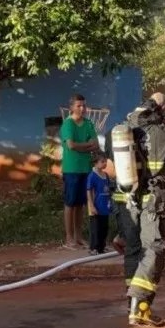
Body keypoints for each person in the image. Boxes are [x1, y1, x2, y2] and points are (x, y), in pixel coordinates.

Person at [117, 92, 165, 326]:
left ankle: (131, 303)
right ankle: (140, 307)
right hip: (155, 201)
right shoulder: (159, 130)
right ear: (160, 109)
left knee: (134, 251)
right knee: (154, 249)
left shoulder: (124, 129)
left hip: (128, 201)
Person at [61, 93, 99, 249]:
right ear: (71, 107)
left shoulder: (88, 123)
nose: (82, 108)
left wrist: (81, 146)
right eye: (79, 106)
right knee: (70, 203)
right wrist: (87, 145)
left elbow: (96, 144)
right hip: (71, 169)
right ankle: (69, 238)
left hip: (86, 168)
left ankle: (78, 236)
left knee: (81, 204)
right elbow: (71, 145)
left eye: (84, 105)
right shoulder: (68, 124)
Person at [86, 150, 112, 255]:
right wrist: (91, 206)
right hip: (96, 207)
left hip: (104, 207)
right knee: (95, 229)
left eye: (105, 161)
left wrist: (110, 202)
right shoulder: (92, 176)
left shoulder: (106, 175)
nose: (105, 163)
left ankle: (102, 247)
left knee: (104, 228)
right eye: (102, 161)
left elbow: (108, 190)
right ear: (95, 163)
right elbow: (89, 191)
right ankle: (94, 248)